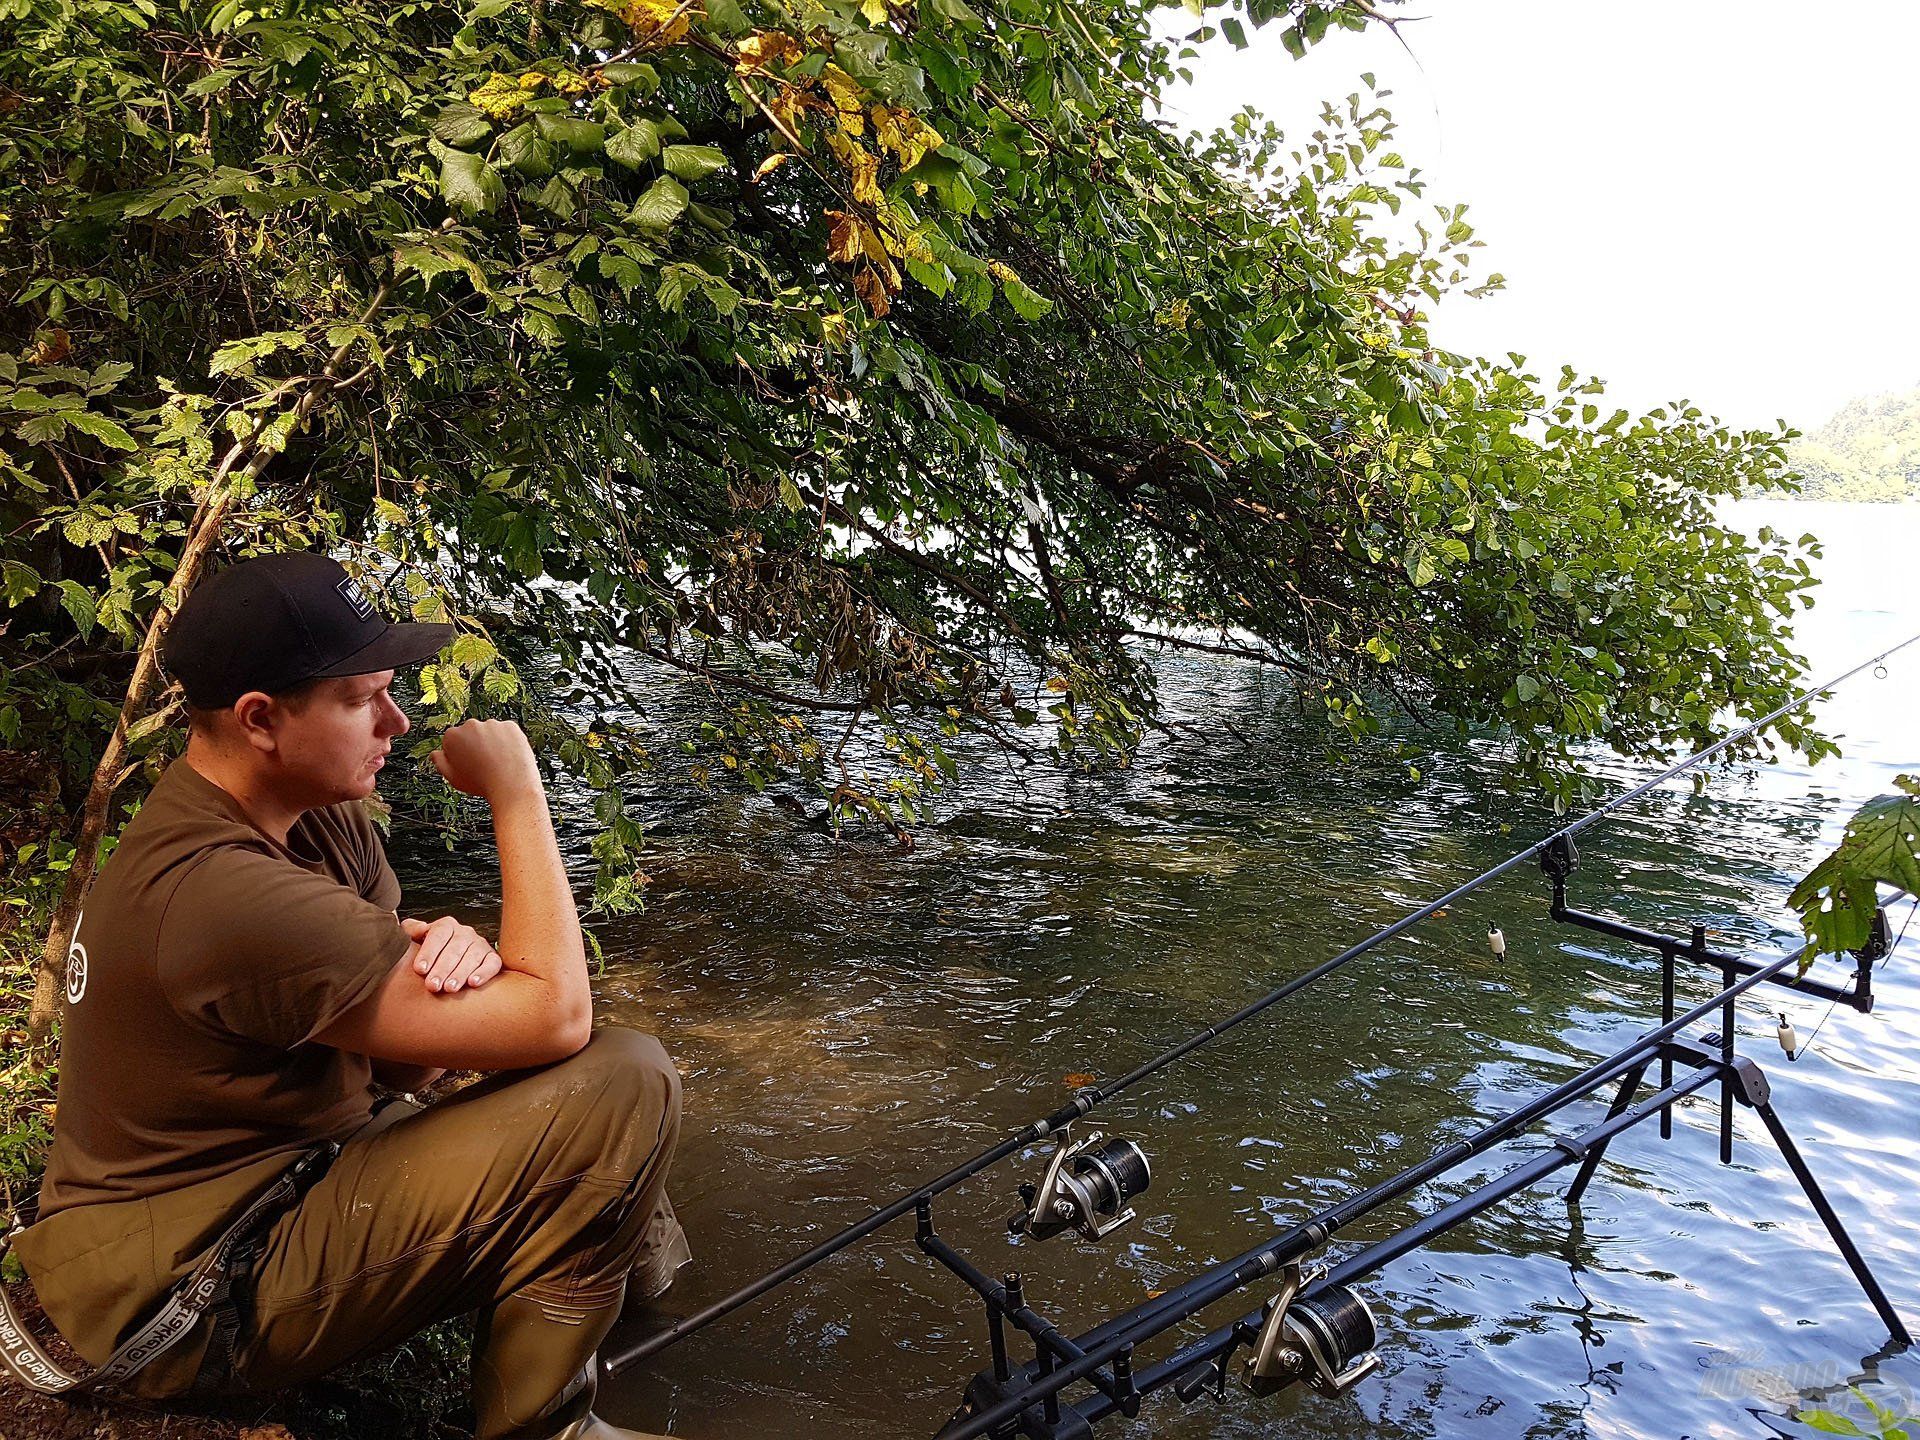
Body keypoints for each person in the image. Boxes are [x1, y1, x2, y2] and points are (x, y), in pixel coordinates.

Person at [11, 551, 688, 1439]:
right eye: (364, 698)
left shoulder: (313, 812)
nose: (398, 722)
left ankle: (640, 1322)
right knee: (625, 1080)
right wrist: (520, 796)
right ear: (260, 719)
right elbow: (559, 1016)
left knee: (586, 1104)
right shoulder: (222, 894)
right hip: (183, 1294)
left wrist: (461, 966)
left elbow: (407, 1062)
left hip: (273, 1189)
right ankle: (547, 1428)